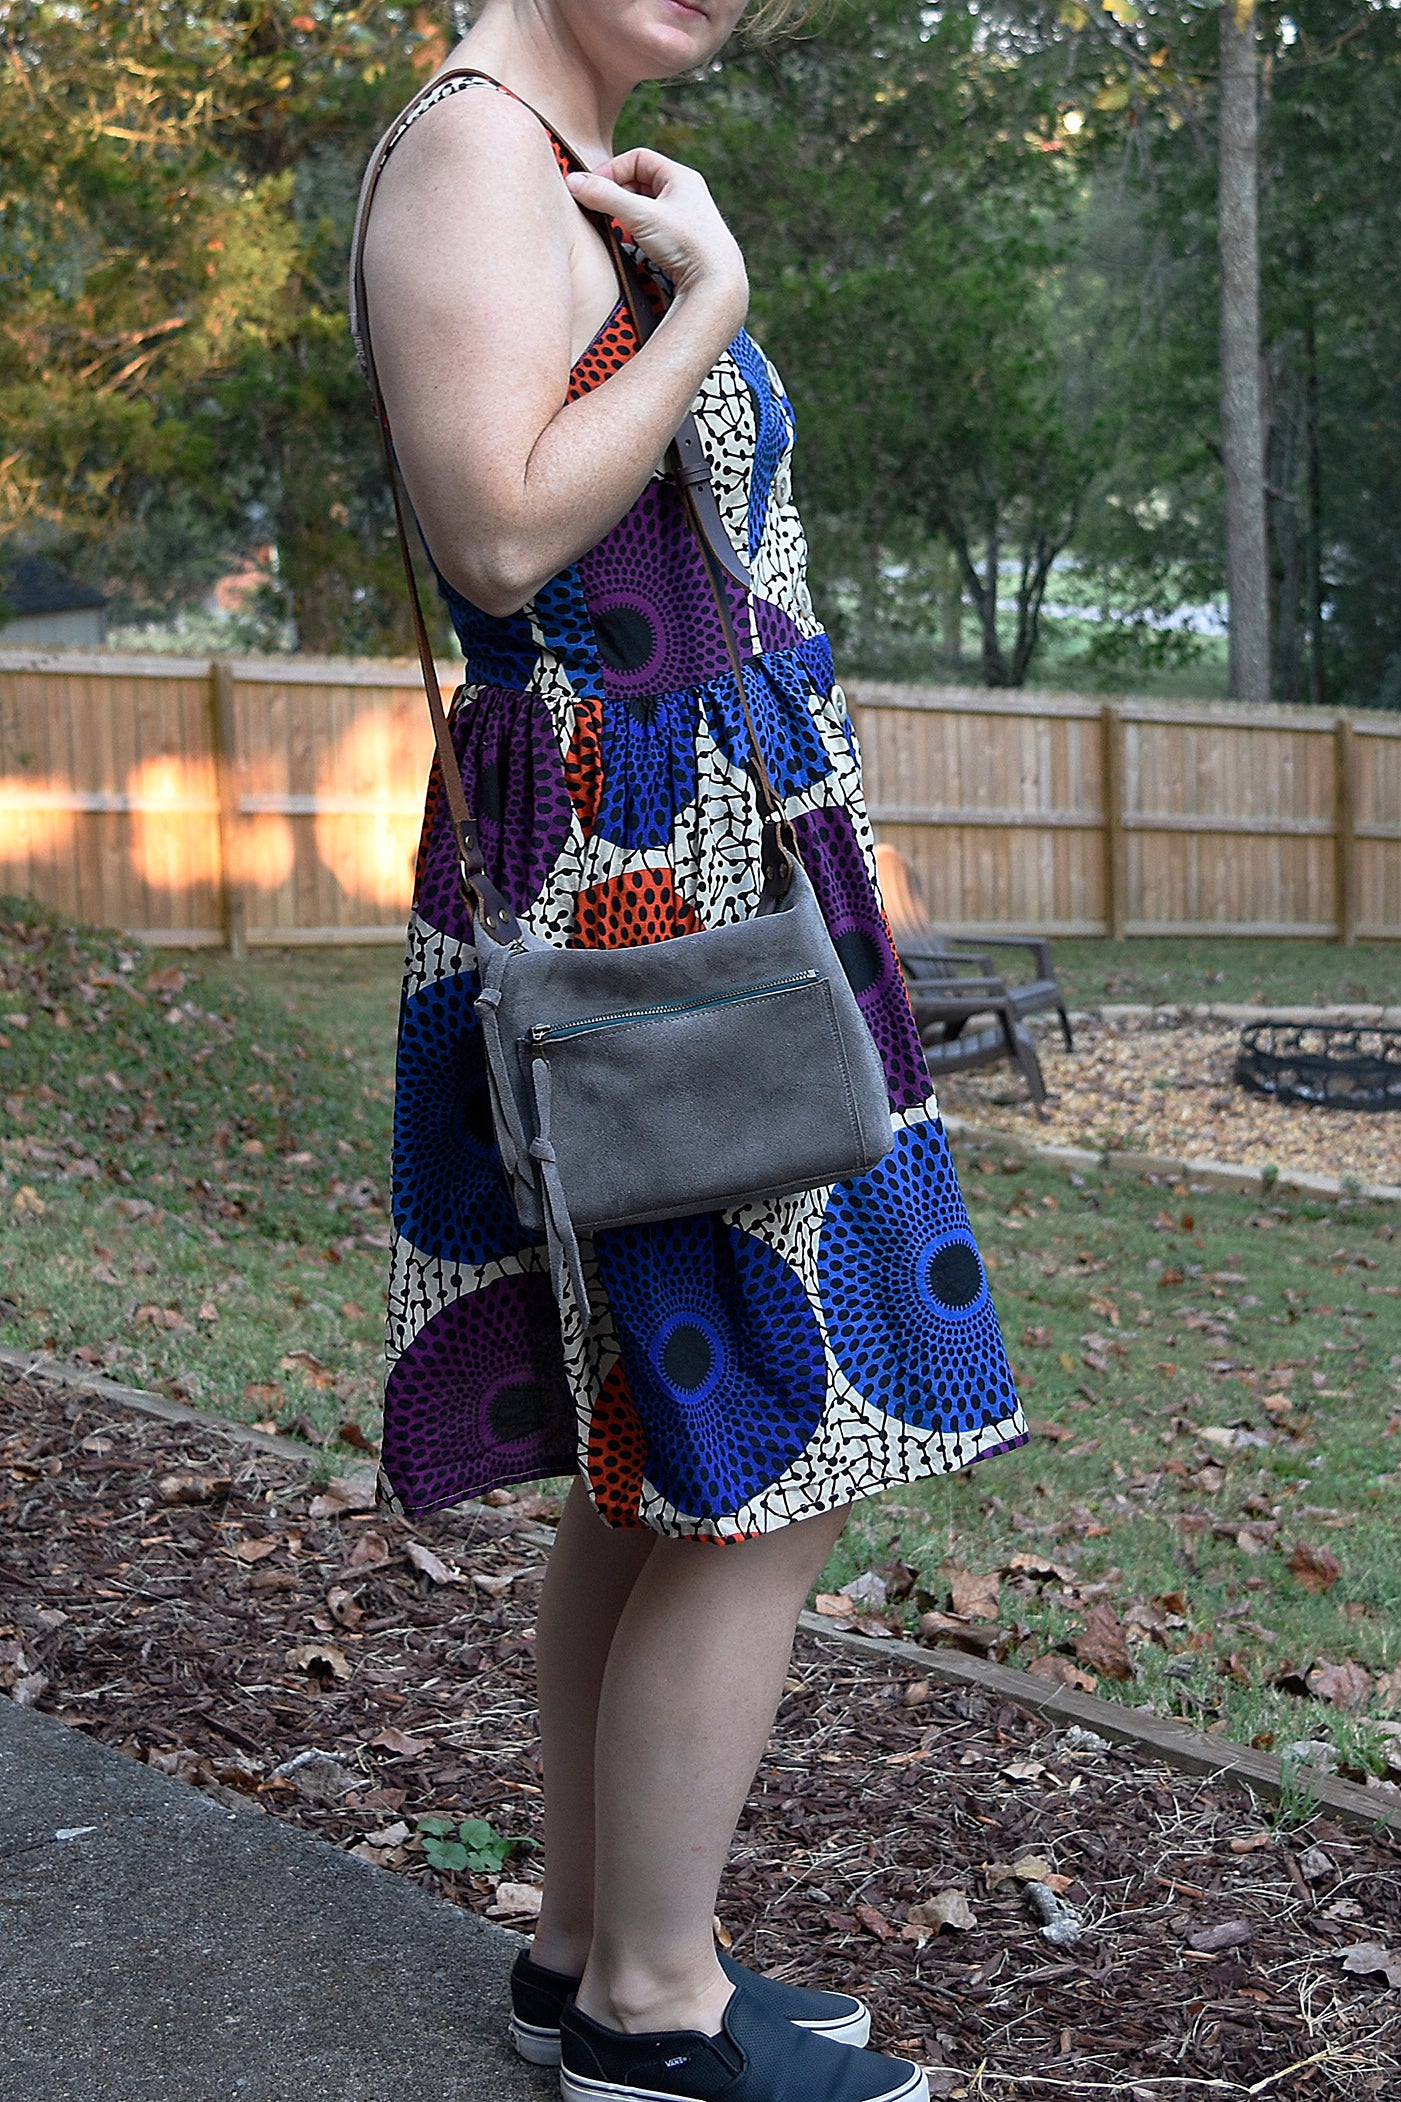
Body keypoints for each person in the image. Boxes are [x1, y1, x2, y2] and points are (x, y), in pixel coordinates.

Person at [353, 3, 1026, 2096]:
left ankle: (596, 1949)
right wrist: (713, 301)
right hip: (652, 889)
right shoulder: (475, 151)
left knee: (665, 1457)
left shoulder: (558, 161)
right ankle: (653, 2010)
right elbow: (499, 530)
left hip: (715, 867)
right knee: (771, 1453)